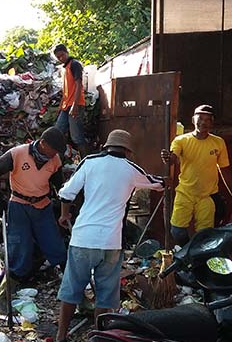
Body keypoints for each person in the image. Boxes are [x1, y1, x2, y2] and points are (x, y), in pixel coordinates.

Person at [55, 130, 165, 340]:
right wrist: (167, 174)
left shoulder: (90, 162)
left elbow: (65, 193)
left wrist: (64, 214)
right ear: (126, 150)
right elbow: (158, 183)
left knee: (72, 289)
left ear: (106, 146)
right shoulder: (131, 169)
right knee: (106, 296)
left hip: (83, 239)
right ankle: (100, 336)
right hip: (111, 242)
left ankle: (61, 335)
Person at [0, 126, 68, 313]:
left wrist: (64, 200)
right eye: (53, 149)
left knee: (55, 246)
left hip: (43, 206)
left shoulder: (54, 160)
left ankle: (76, 293)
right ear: (43, 143)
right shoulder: (18, 153)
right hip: (19, 205)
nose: (55, 154)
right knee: (19, 250)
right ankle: (4, 297)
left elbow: (58, 184)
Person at [160, 104, 232, 245]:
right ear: (193, 119)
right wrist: (168, 158)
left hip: (207, 196)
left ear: (212, 123)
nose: (204, 122)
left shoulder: (218, 142)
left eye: (208, 120)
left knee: (205, 235)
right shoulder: (181, 141)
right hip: (185, 193)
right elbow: (173, 158)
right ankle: (188, 252)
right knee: (177, 231)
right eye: (200, 118)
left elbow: (224, 169)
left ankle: (197, 259)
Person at [53, 44, 88, 157]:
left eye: (62, 55)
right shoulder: (65, 69)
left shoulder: (75, 65)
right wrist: (60, 105)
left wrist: (75, 105)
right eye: (58, 57)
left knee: (76, 136)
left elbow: (78, 85)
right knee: (57, 131)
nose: (61, 58)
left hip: (75, 104)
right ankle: (58, 160)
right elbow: (66, 90)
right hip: (66, 106)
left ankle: (85, 160)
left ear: (67, 52)